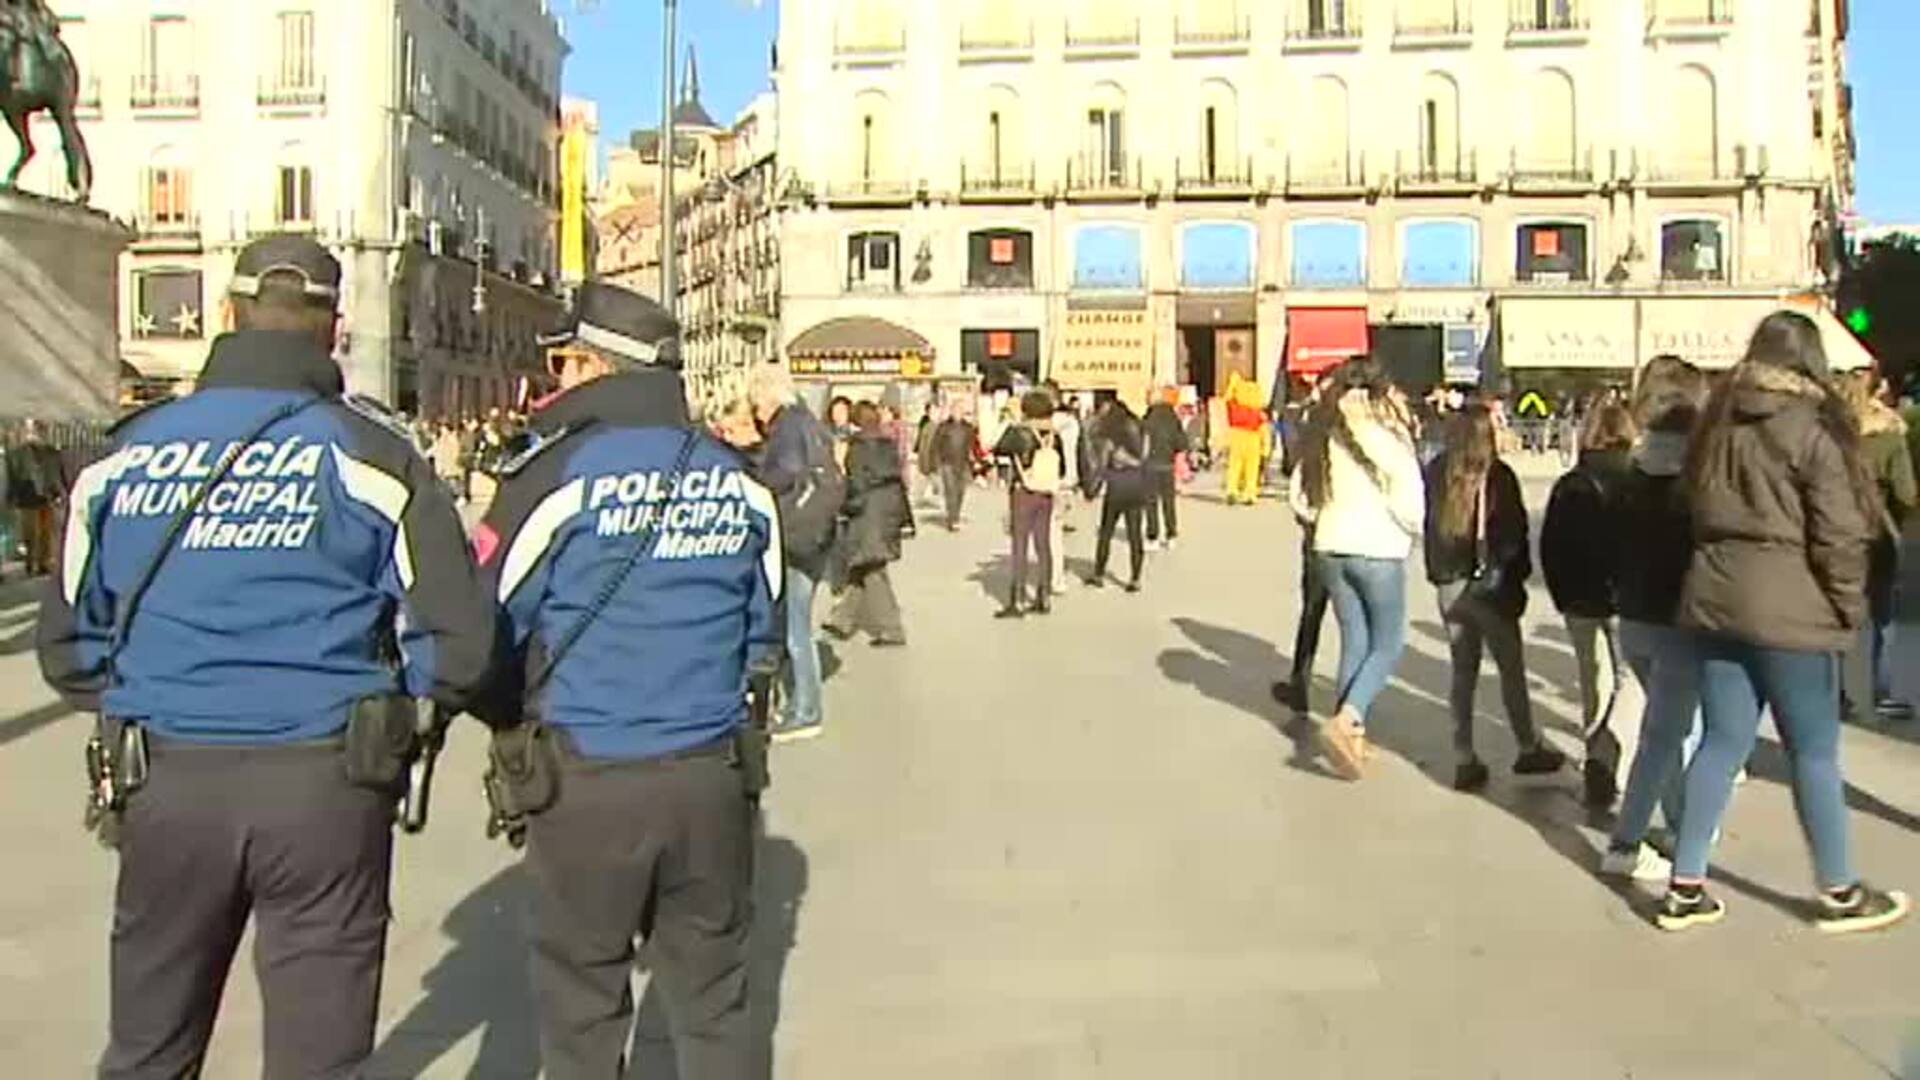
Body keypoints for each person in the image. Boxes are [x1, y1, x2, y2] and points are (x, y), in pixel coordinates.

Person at [37, 235, 495, 1077]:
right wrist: (403, 718)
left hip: (168, 776)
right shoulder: (376, 458)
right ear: (335, 330)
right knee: (317, 1054)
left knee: (149, 1043)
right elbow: (459, 639)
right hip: (327, 779)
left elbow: (67, 645)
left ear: (224, 315)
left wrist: (152, 691)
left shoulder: (124, 455)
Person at [471, 281, 781, 1074]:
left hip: (588, 775)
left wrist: (505, 709)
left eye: (566, 362)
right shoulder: (738, 479)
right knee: (715, 1002)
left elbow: (483, 628)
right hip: (710, 772)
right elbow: (764, 629)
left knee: (582, 1005)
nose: (558, 381)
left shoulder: (552, 476)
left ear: (593, 364)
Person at [1658, 310, 1908, 934]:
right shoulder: (1817, 430)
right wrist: (1848, 608)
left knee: (1721, 742)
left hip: (1717, 601)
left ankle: (1685, 885)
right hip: (1795, 611)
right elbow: (1841, 536)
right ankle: (1839, 890)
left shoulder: (1717, 422)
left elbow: (1688, 508)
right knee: (1815, 753)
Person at [1600, 355, 1709, 882]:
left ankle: (1674, 825)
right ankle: (1631, 840)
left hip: (1635, 615)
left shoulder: (1631, 472)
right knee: (1667, 734)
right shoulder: (1697, 481)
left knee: (1662, 730)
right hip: (1680, 618)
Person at [1288, 359, 1424, 780]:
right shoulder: (1385, 431)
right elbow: (1408, 489)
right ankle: (1348, 719)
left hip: (1329, 544)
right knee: (1389, 642)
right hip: (1377, 547)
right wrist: (1411, 529)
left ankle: (1352, 736)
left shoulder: (1322, 431)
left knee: (1355, 640)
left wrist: (1321, 519)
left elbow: (1300, 493)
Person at [1423, 403, 1567, 791]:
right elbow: (1513, 538)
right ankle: (1526, 744)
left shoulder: (1437, 471)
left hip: (1450, 585)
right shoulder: (1499, 476)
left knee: (1462, 672)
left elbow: (1430, 528)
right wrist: (1513, 580)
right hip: (1489, 588)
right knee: (1510, 670)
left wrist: (1437, 574)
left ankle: (1463, 754)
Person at [1540, 401, 1637, 807]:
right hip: (1624, 597)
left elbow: (1550, 545)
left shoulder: (1569, 483)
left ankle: (1593, 752)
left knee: (1591, 680)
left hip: (1578, 597)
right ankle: (1611, 755)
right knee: (1628, 681)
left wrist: (1560, 592)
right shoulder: (1636, 480)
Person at [750, 363, 841, 743]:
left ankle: (807, 711)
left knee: (795, 630)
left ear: (769, 393)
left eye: (756, 399)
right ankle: (800, 706)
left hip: (797, 534)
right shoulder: (809, 421)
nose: (755, 408)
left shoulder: (788, 426)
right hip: (816, 533)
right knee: (796, 625)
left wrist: (754, 481)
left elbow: (785, 473)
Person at [1838, 370, 1917, 722]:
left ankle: (1835, 693)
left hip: (1836, 532)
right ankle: (1882, 693)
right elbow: (1906, 493)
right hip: (1878, 533)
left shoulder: (1830, 431)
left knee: (1837, 614)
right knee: (1882, 617)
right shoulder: (1889, 435)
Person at [1271, 378, 1334, 714]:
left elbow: (1294, 476)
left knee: (1313, 610)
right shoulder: (1376, 426)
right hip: (1367, 538)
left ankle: (1300, 681)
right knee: (1356, 621)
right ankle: (1354, 704)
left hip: (1321, 534)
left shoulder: (1314, 426)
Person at [825, 401, 910, 646]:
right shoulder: (887, 446)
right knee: (862, 566)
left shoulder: (858, 448)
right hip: (887, 514)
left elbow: (855, 485)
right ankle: (842, 619)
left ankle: (892, 629)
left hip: (866, 515)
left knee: (872, 569)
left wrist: (842, 506)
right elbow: (898, 482)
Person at [992, 390, 1063, 617]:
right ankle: (1044, 596)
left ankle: (1018, 599)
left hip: (1023, 491)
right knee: (1043, 544)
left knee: (1020, 544)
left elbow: (998, 448)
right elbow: (1061, 467)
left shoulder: (1020, 432)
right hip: (1047, 491)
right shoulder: (1053, 435)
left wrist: (1011, 421)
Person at [1084, 396, 1149, 593]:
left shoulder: (1109, 434)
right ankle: (1135, 578)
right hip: (1137, 485)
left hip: (1116, 487)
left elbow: (1102, 466)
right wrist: (1134, 463)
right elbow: (1145, 458)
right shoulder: (1141, 428)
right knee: (1135, 534)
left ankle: (1099, 574)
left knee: (1106, 532)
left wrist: (1092, 489)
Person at [9, 417, 64, 575]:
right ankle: (30, 562)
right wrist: (12, 497)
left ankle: (43, 563)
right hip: (27, 497)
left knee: (46, 533)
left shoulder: (51, 452)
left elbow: (55, 473)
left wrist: (57, 492)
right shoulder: (17, 453)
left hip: (47, 496)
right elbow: (13, 475)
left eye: (37, 430)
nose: (34, 433)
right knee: (30, 534)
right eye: (31, 430)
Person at [1142, 387, 1188, 548]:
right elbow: (1181, 442)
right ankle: (1171, 535)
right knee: (1169, 502)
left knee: (1151, 503)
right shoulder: (1173, 418)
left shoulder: (1147, 418)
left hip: (1150, 465)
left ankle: (1152, 537)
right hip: (1167, 465)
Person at [930, 403, 978, 531]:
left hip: (963, 463)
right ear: (951, 412)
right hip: (948, 463)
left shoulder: (968, 428)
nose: (957, 413)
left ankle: (956, 513)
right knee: (950, 491)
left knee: (960, 491)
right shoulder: (944, 427)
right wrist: (935, 464)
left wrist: (976, 462)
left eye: (960, 411)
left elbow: (973, 446)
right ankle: (953, 519)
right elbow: (935, 445)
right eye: (955, 411)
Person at [1223, 373, 1269, 506]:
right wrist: (1266, 448)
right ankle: (1249, 493)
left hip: (1237, 437)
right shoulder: (1259, 413)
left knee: (1234, 467)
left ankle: (1232, 490)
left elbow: (1227, 398)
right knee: (1252, 469)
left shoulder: (1235, 408)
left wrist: (1233, 383)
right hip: (1253, 439)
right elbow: (1264, 430)